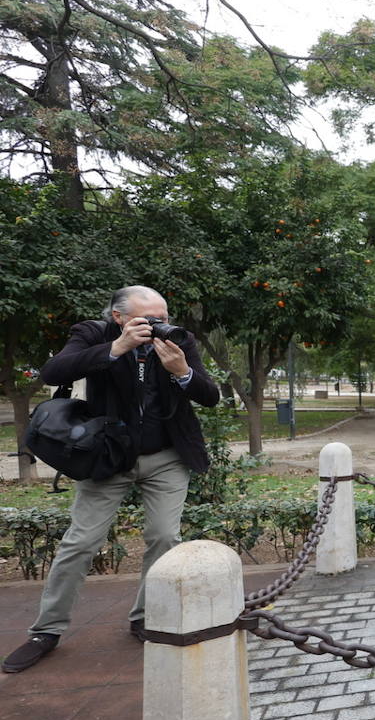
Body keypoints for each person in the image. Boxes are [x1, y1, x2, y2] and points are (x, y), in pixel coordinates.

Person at [3, 286, 219, 674]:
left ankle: (144, 617)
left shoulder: (178, 341)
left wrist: (182, 372)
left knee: (164, 538)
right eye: (148, 319)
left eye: (163, 318)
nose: (158, 326)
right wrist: (116, 348)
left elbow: (211, 396)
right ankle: (46, 631)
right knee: (81, 542)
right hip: (109, 458)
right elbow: (53, 372)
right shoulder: (94, 334)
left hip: (166, 457)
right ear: (118, 317)